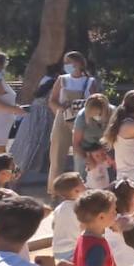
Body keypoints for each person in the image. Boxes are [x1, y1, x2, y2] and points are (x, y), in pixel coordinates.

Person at [47, 51, 100, 183]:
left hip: (83, 119)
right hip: (63, 119)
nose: (67, 65)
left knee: (81, 155)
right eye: (65, 62)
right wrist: (61, 107)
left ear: (80, 63)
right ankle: (54, 189)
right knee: (57, 155)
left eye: (70, 62)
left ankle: (82, 185)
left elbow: (96, 101)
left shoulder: (90, 81)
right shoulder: (62, 79)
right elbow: (52, 100)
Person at [9, 67, 57, 177]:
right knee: (31, 152)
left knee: (23, 150)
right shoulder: (54, 87)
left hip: (31, 121)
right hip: (42, 122)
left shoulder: (44, 86)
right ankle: (16, 179)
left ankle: (14, 178)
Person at [73, 94, 114, 190]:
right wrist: (87, 159)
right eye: (92, 115)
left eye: (99, 114)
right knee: (82, 177)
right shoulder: (81, 116)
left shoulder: (114, 113)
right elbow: (76, 143)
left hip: (107, 150)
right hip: (86, 150)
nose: (96, 117)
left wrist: (109, 156)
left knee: (111, 180)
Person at [50, 173, 87, 263]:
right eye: (82, 182)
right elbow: (85, 226)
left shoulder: (58, 208)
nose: (85, 183)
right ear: (76, 190)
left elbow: (53, 226)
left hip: (57, 250)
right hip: (73, 249)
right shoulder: (80, 208)